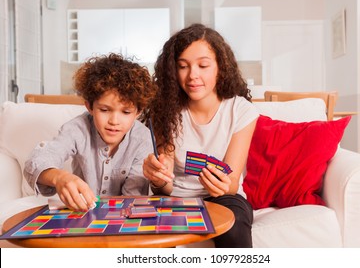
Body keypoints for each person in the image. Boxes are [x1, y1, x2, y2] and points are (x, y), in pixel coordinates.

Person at [142, 24, 258, 247]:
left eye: (203, 65)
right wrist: (158, 180)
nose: (192, 75)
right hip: (175, 198)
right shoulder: (165, 110)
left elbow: (232, 182)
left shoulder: (241, 110)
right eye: (183, 66)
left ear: (220, 68)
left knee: (234, 226)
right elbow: (164, 186)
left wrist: (222, 186)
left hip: (224, 198)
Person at [24, 53, 156, 211]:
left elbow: (132, 197)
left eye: (126, 112)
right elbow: (37, 161)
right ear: (90, 107)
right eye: (105, 110)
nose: (114, 121)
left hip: (124, 217)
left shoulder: (142, 138)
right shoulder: (77, 128)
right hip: (82, 212)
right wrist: (60, 177)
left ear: (138, 112)